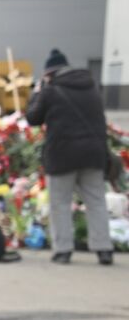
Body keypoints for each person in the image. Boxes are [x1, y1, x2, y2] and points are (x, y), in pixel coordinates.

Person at [26, 48, 115, 265]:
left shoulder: (50, 91)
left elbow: (33, 118)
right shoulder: (91, 87)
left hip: (62, 155)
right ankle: (103, 249)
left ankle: (63, 250)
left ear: (50, 74)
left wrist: (37, 92)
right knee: (96, 202)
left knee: (60, 203)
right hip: (93, 154)